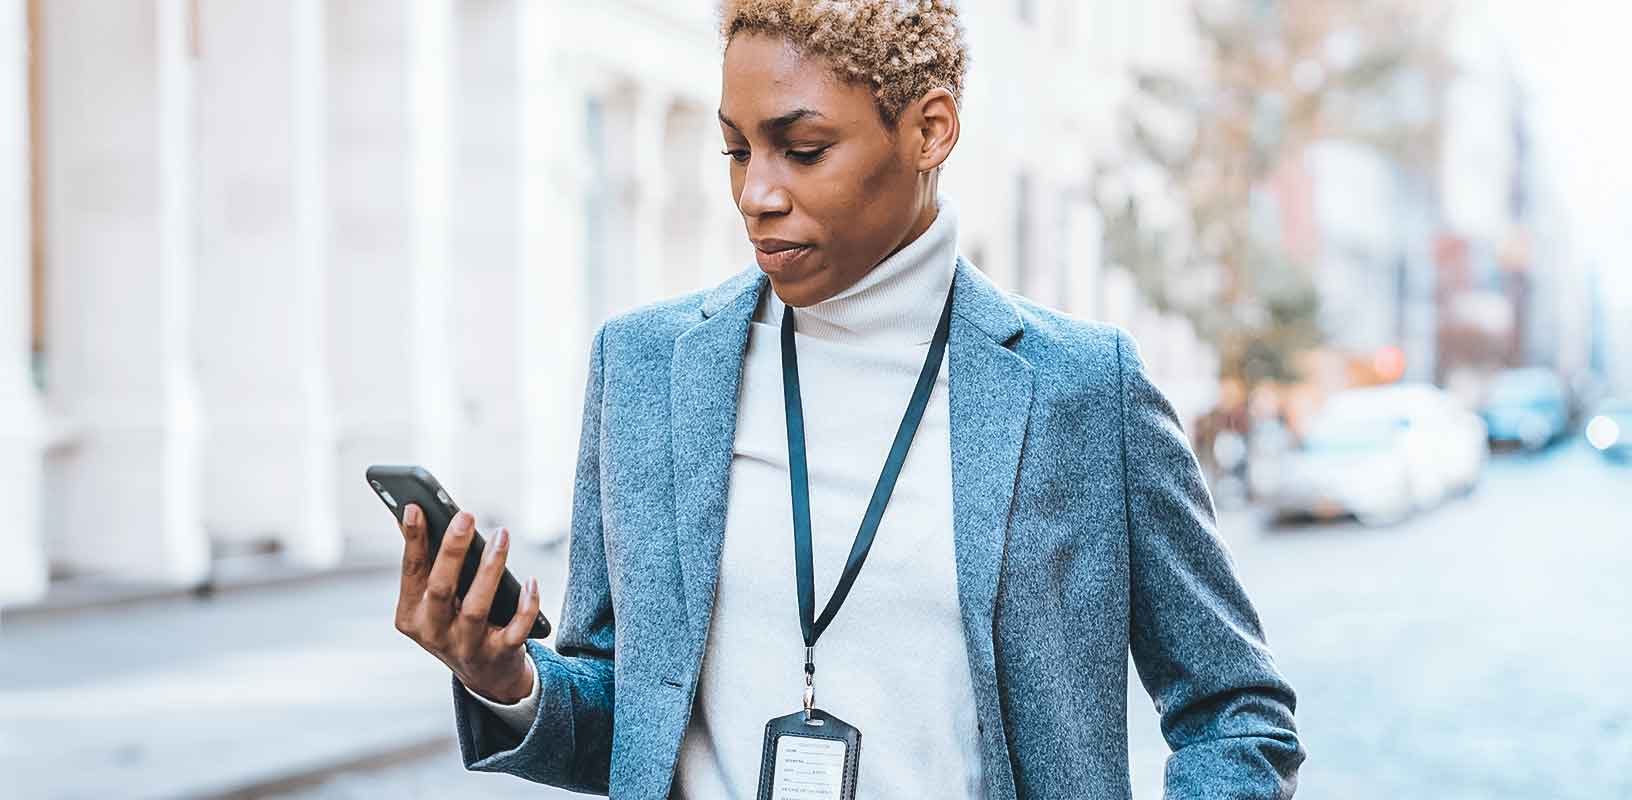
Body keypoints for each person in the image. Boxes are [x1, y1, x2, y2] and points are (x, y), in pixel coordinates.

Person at [390, 1, 1305, 797]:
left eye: (803, 149)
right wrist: (507, 679)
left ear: (930, 130)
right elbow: (628, 719)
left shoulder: (1083, 389)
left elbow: (1236, 708)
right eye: (736, 150)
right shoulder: (644, 370)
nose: (756, 194)